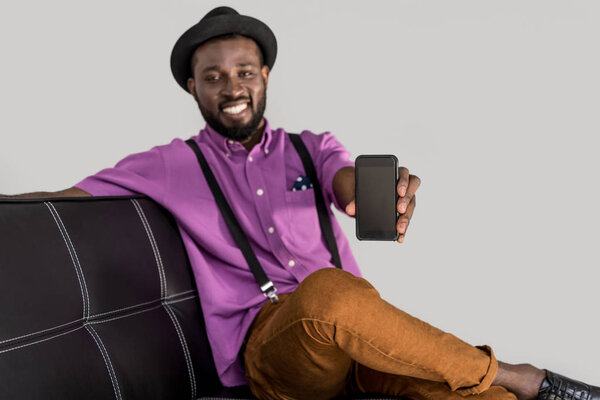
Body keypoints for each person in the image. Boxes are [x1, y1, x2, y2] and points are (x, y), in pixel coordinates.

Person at [1, 6, 598, 400]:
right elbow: (61, 197)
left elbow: (350, 190)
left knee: (477, 396)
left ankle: (502, 385)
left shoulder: (315, 149)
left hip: (356, 337)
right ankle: (525, 375)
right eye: (212, 77)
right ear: (193, 87)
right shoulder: (170, 164)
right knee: (330, 293)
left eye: (243, 71)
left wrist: (381, 197)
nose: (231, 87)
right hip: (276, 354)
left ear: (265, 75)